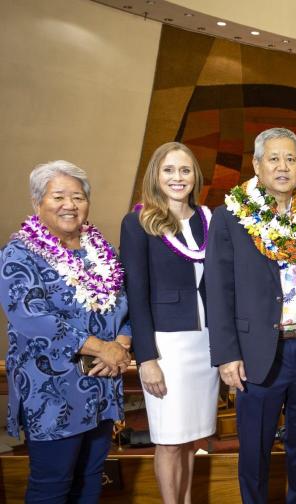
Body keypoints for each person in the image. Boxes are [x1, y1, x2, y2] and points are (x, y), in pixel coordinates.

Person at [206, 128, 296, 503]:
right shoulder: (230, 216)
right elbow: (218, 290)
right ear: (257, 165)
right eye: (274, 158)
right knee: (255, 450)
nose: (283, 167)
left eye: (291, 159)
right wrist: (227, 354)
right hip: (255, 353)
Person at [0, 161, 132, 502]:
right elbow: (31, 317)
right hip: (53, 392)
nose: (70, 205)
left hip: (102, 386)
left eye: (78, 196)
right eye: (58, 196)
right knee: (53, 484)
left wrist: (120, 343)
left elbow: (124, 304)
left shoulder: (100, 251)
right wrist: (100, 348)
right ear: (37, 202)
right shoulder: (18, 254)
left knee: (91, 478)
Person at [119, 142, 219, 504]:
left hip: (205, 344)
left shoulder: (209, 219)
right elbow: (136, 294)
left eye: (185, 170)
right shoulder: (138, 222)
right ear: (155, 176)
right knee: (169, 440)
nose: (178, 178)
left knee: (193, 440)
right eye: (169, 170)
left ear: (195, 176)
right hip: (167, 347)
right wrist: (146, 359)